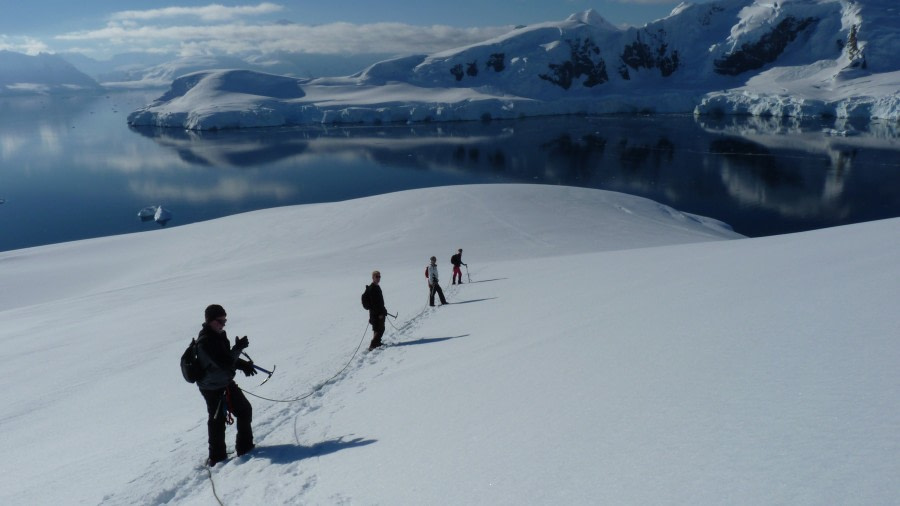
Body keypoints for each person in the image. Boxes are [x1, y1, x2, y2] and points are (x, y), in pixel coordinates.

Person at [196, 304, 257, 467]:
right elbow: (222, 363)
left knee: (244, 409)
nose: (223, 324)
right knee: (217, 421)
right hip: (212, 387)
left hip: (223, 382)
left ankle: (245, 448)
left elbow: (226, 358)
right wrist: (238, 349)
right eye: (220, 320)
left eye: (225, 320)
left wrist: (241, 363)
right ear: (209, 321)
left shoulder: (220, 336)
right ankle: (217, 458)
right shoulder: (205, 342)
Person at [366, 270, 388, 350]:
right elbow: (374, 304)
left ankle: (377, 342)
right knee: (380, 329)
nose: (378, 278)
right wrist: (380, 313)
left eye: (379, 276)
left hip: (377, 312)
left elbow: (380, 302)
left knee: (376, 329)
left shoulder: (376, 287)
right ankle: (372, 345)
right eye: (377, 276)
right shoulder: (372, 288)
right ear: (373, 278)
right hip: (376, 313)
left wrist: (384, 309)